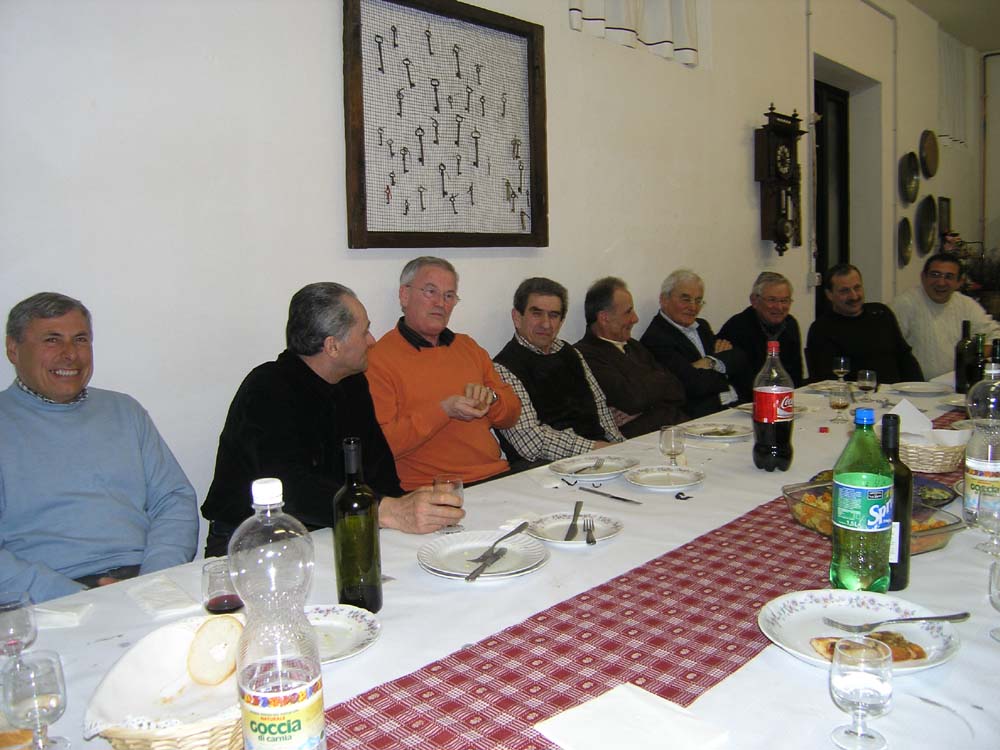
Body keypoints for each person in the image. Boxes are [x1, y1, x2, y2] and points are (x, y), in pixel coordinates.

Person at [202, 282, 465, 556]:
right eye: (364, 332)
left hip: (339, 527)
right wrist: (388, 510)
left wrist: (406, 509)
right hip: (255, 540)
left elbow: (379, 470)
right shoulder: (267, 389)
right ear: (333, 346)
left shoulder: (352, 383)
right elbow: (291, 488)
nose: (372, 341)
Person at [0, 292, 198, 602]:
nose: (70, 354)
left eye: (80, 340)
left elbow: (174, 500)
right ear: (13, 349)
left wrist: (156, 578)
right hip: (46, 599)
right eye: (52, 340)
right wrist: (74, 596)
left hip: (144, 579)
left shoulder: (124, 411)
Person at [367, 257, 521, 490]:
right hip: (429, 488)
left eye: (449, 296)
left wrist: (492, 398)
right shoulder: (378, 359)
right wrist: (444, 411)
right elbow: (381, 445)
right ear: (404, 295)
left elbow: (512, 415)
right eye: (431, 292)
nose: (440, 303)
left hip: (495, 475)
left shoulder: (468, 347)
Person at [492, 277, 623, 467]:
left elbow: (601, 411)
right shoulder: (502, 368)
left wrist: (622, 448)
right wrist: (597, 449)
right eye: (537, 314)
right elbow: (531, 442)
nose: (546, 324)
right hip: (550, 468)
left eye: (553, 315)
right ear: (517, 317)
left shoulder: (571, 353)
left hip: (600, 457)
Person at [574, 277, 686, 438]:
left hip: (674, 429)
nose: (635, 319)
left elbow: (678, 390)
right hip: (640, 440)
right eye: (628, 312)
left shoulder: (634, 346)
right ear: (604, 318)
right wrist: (661, 381)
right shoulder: (584, 354)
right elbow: (632, 399)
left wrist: (644, 406)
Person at [639, 270, 750, 418]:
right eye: (686, 299)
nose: (693, 307)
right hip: (703, 415)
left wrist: (710, 362)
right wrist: (723, 367)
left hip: (736, 405)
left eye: (698, 301)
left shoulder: (702, 326)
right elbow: (692, 385)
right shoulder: (655, 338)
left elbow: (740, 358)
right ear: (664, 299)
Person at [806, 264, 923, 383]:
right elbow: (827, 380)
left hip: (895, 392)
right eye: (845, 291)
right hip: (853, 393)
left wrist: (918, 388)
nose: (854, 296)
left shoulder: (881, 313)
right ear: (829, 295)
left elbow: (905, 358)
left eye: (857, 288)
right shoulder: (821, 329)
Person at [890, 253, 1000, 380]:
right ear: (923, 277)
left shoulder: (966, 305)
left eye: (949, 277)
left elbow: (994, 335)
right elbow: (887, 349)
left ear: (959, 282)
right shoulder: (905, 304)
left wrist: (974, 357)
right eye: (935, 275)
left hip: (956, 384)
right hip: (916, 386)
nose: (941, 282)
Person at [718, 271, 805, 387]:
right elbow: (739, 381)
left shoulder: (790, 324)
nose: (779, 307)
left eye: (784, 301)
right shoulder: (737, 327)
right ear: (754, 301)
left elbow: (796, 375)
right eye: (772, 300)